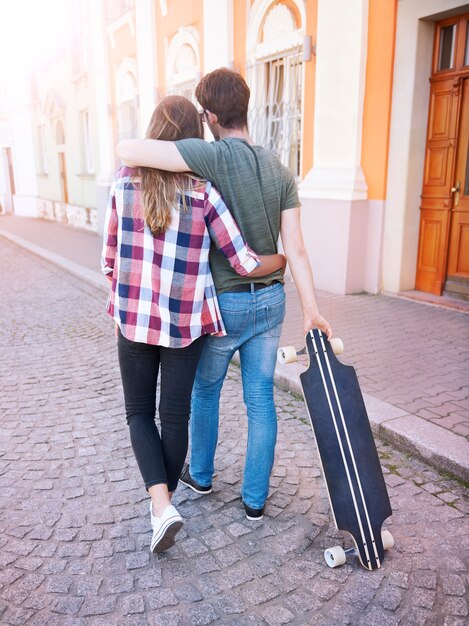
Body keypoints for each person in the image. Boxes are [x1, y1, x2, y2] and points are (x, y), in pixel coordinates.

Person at [116, 68, 332, 522]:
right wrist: (312, 311)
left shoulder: (208, 156)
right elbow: (296, 248)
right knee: (260, 398)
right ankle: (254, 500)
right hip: (272, 302)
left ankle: (202, 475)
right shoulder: (280, 168)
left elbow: (131, 151)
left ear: (210, 115)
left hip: (225, 304)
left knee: (204, 393)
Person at [101, 95, 286, 553]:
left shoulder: (124, 183)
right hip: (184, 327)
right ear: (192, 138)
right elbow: (243, 262)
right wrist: (282, 260)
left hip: (134, 322)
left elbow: (108, 258)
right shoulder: (203, 191)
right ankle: (164, 505)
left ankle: (160, 505)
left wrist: (129, 289)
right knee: (175, 415)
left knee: (139, 414)